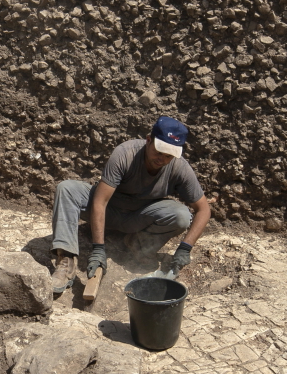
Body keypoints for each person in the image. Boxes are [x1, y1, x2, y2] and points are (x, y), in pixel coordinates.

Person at [50, 116, 213, 294]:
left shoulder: (179, 168)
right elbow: (100, 201)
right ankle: (66, 262)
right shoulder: (125, 154)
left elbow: (203, 209)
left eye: (168, 156)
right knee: (66, 189)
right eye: (159, 152)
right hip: (109, 210)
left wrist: (185, 247)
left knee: (181, 215)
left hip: (139, 218)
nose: (162, 159)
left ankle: (137, 245)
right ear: (148, 140)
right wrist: (98, 249)